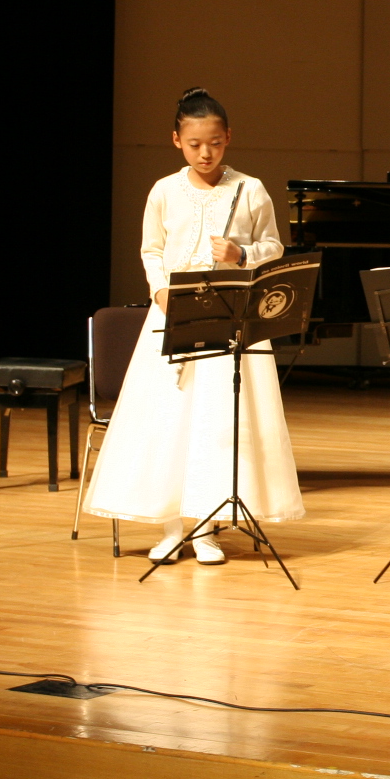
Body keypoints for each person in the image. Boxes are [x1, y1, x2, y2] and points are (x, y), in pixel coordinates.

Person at [85, 87, 305, 565]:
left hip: (229, 317)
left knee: (217, 422)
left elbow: (274, 247)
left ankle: (207, 530)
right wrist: (159, 292)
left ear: (229, 138)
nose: (206, 153)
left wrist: (242, 253)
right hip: (172, 313)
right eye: (194, 144)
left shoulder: (250, 189)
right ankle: (170, 529)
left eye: (215, 143)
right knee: (169, 419)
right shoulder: (164, 190)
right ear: (176, 141)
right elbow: (152, 250)